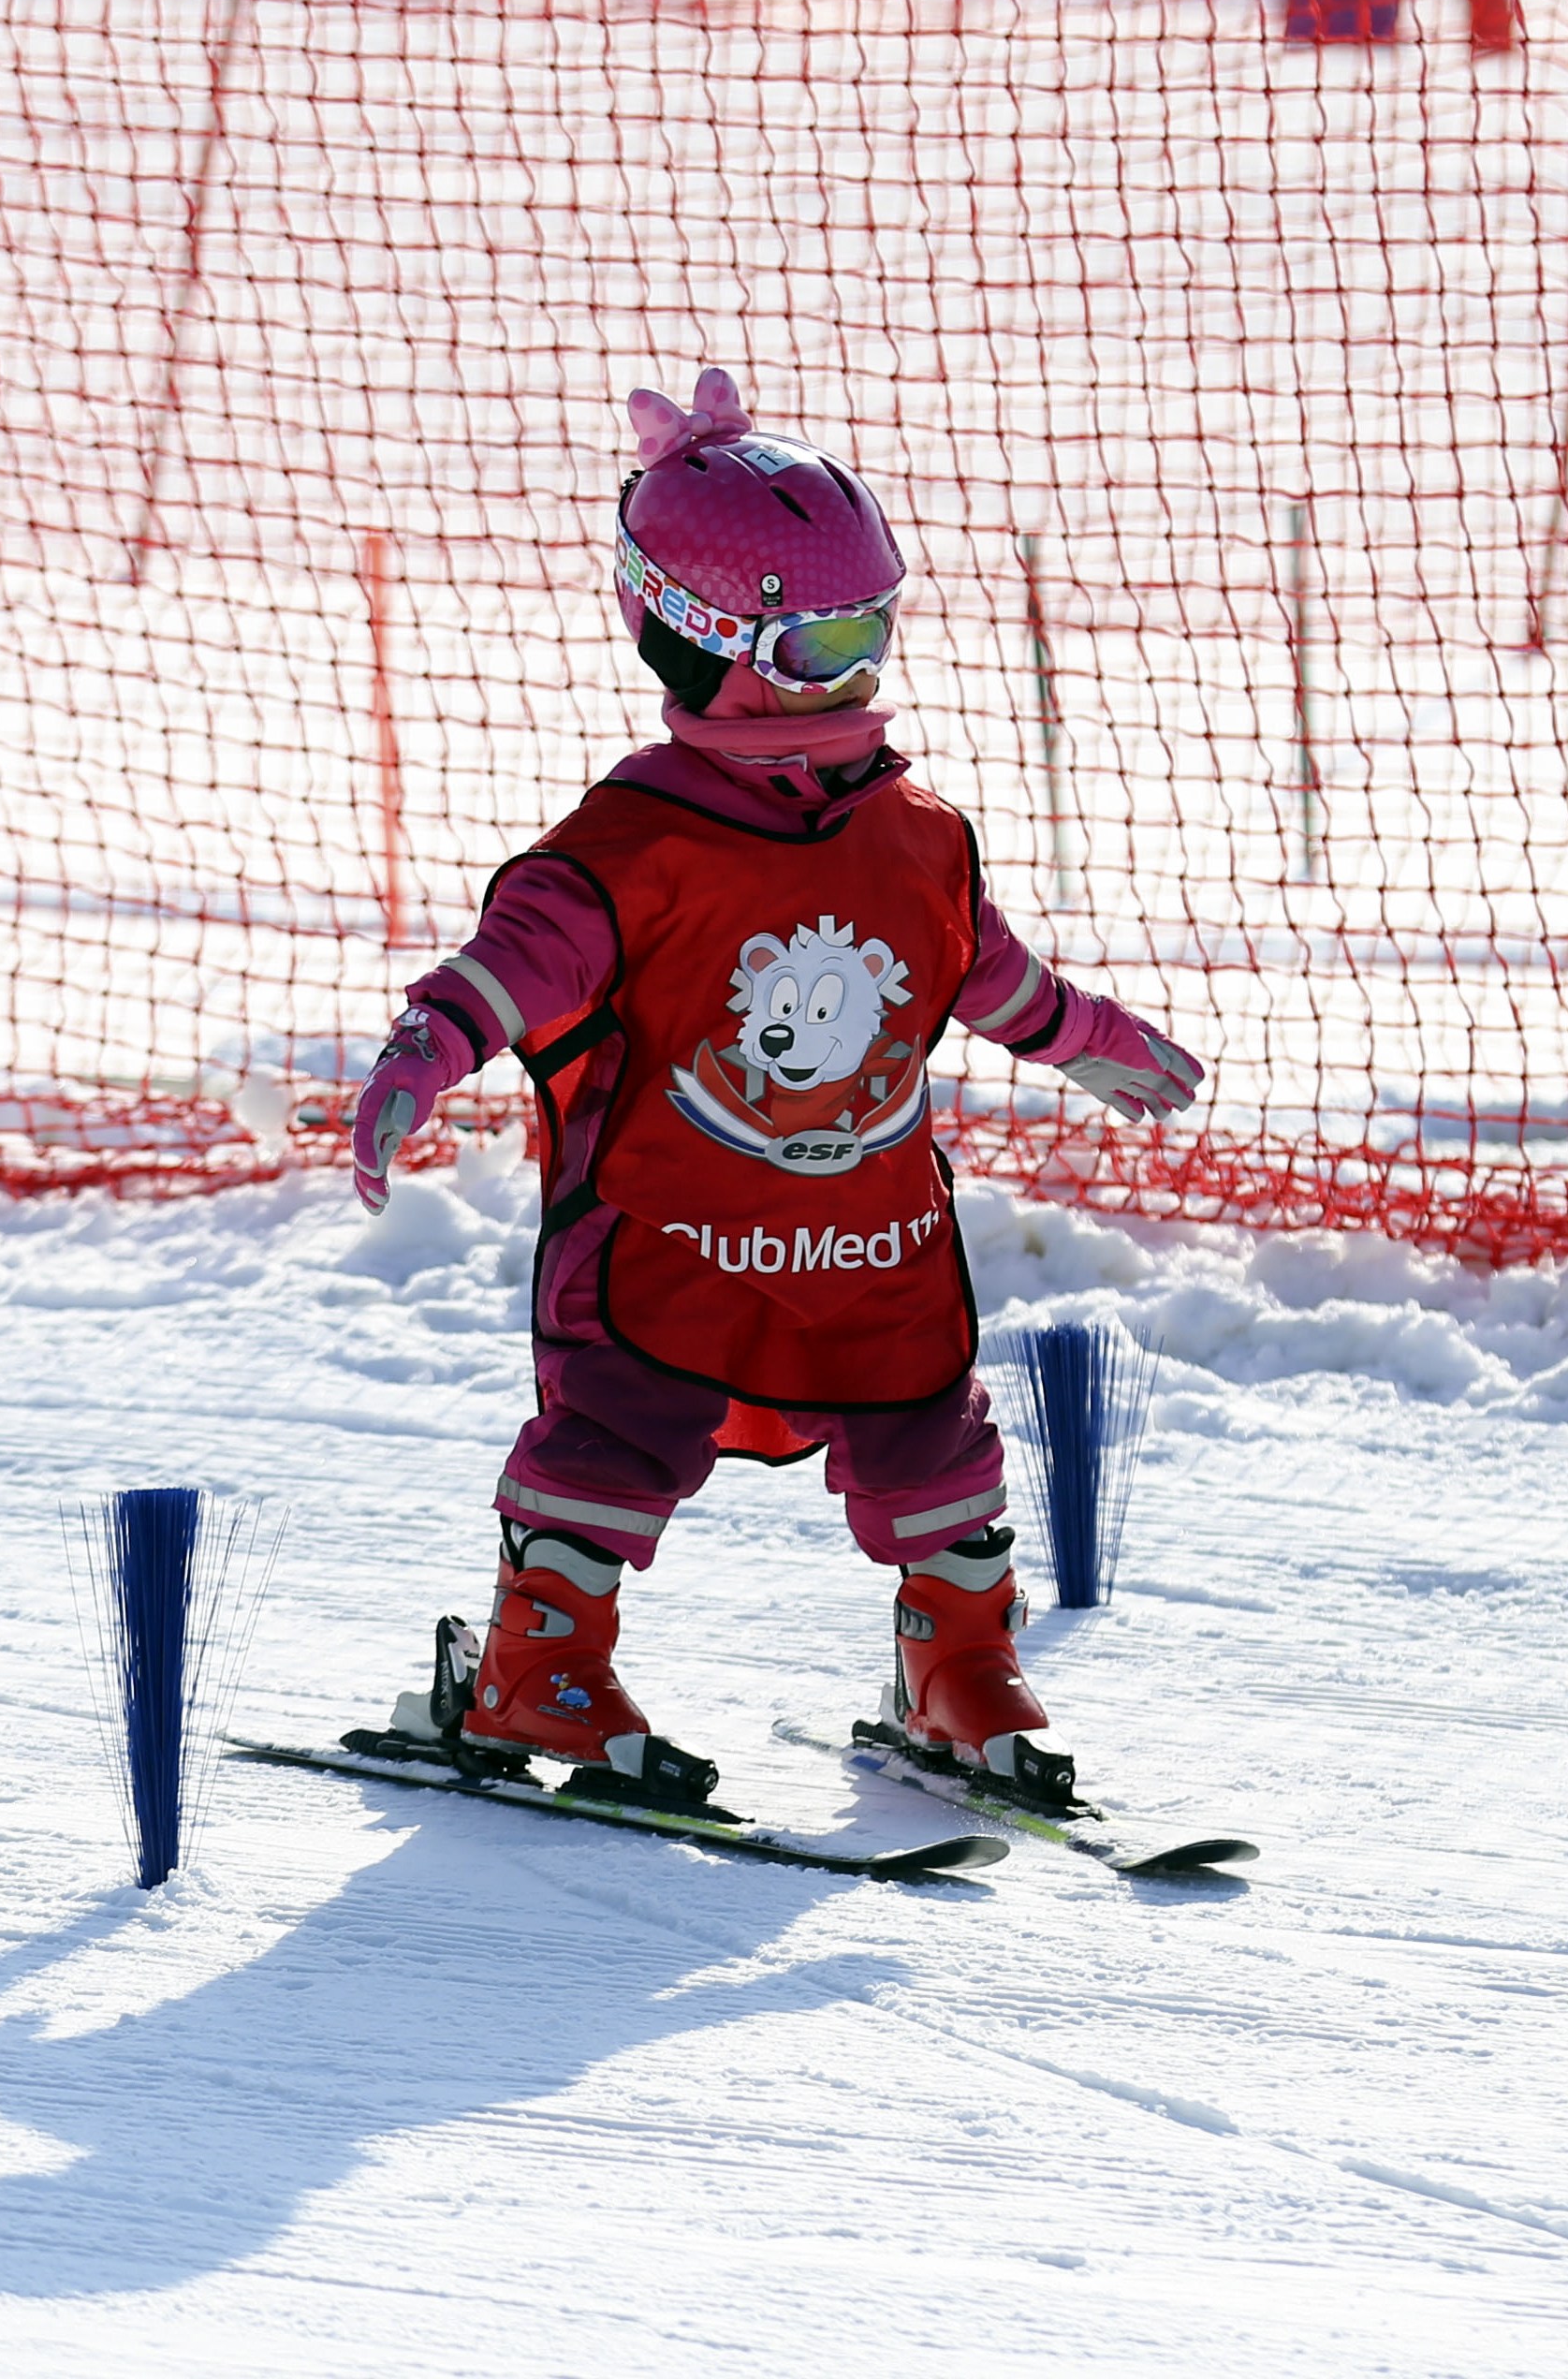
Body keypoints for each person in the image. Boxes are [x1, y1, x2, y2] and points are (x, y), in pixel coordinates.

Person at [343, 368, 1204, 1814]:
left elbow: (979, 975)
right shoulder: (631, 849)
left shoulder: (918, 834)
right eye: (819, 646)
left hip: (854, 1250)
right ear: (703, 642)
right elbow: (514, 967)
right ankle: (543, 1663)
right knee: (619, 1433)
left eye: (874, 631)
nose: (857, 674)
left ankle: (963, 1672)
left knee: (931, 1427)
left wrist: (1081, 1033)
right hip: (697, 1243)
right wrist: (421, 1054)